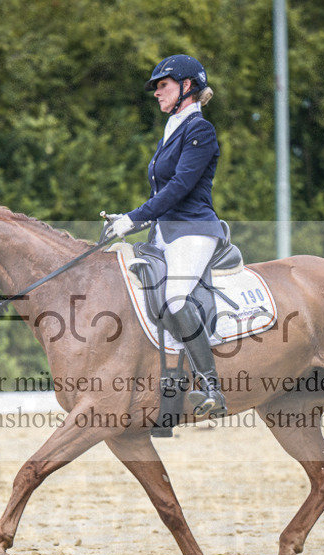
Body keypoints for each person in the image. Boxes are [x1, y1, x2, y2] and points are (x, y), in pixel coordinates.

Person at [105, 54, 227, 419]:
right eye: (157, 87)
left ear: (187, 86)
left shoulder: (199, 130)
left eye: (163, 86)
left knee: (175, 298)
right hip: (165, 232)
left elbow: (179, 186)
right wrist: (124, 223)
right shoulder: (172, 129)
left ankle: (211, 387)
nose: (157, 93)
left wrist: (134, 218)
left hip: (194, 229)